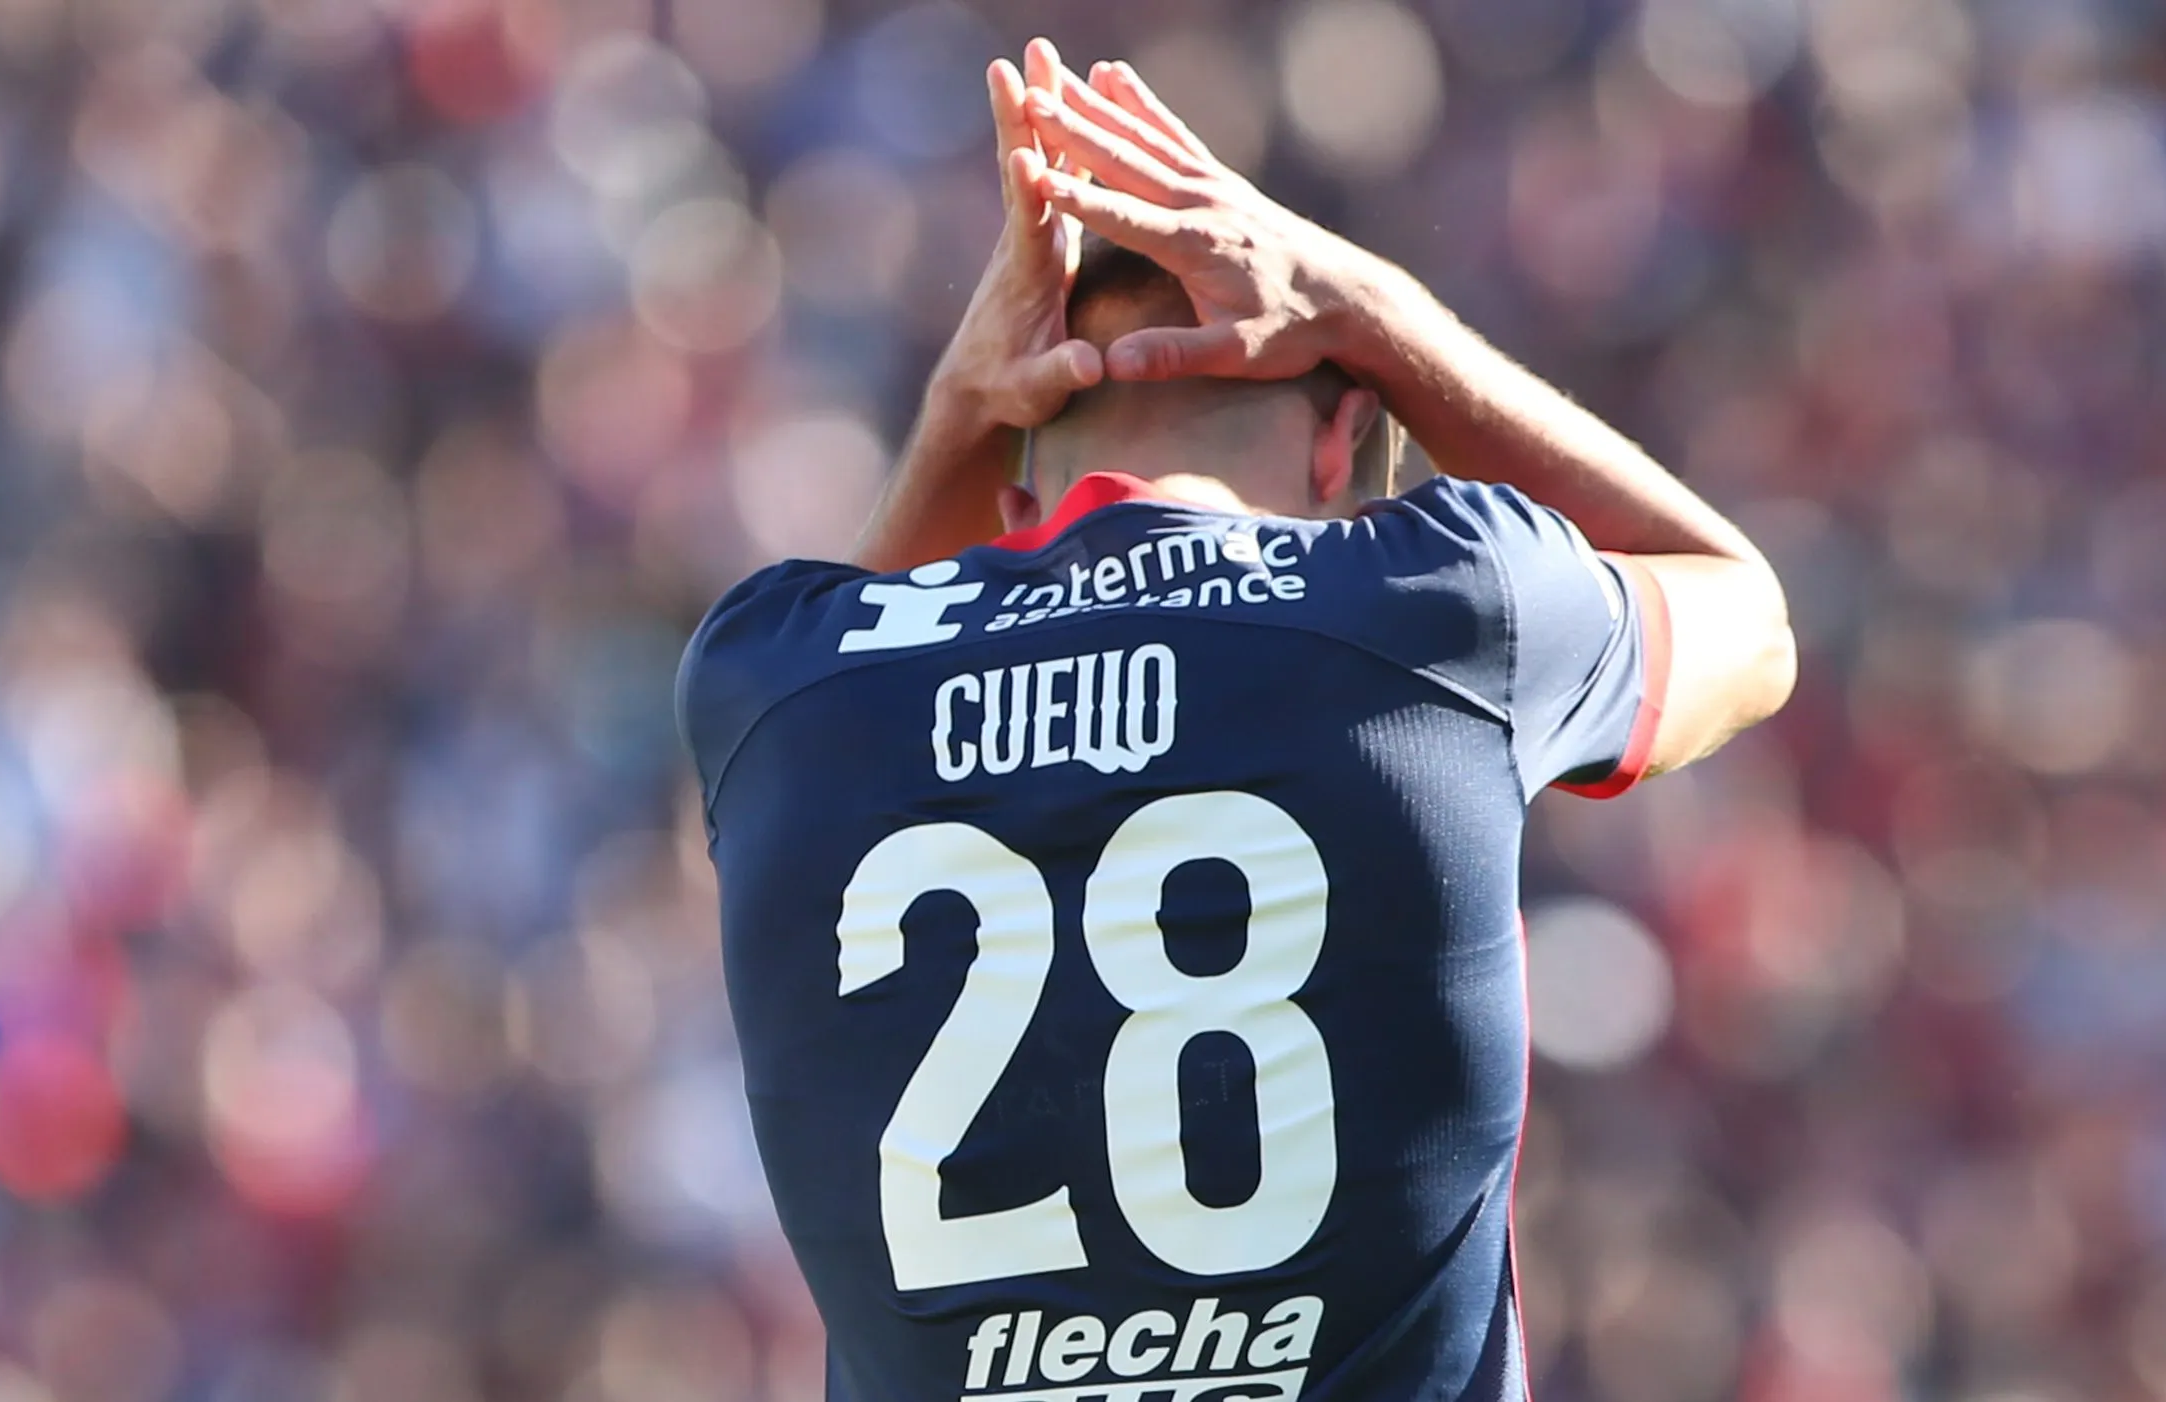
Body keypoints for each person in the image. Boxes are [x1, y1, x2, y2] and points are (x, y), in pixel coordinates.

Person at [676, 39, 1796, 1401]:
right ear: (1341, 450)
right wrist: (1372, 305)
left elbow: (872, 629)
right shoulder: (1435, 606)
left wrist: (958, 410)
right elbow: (1748, 615)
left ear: (1010, 508)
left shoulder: (774, 685)